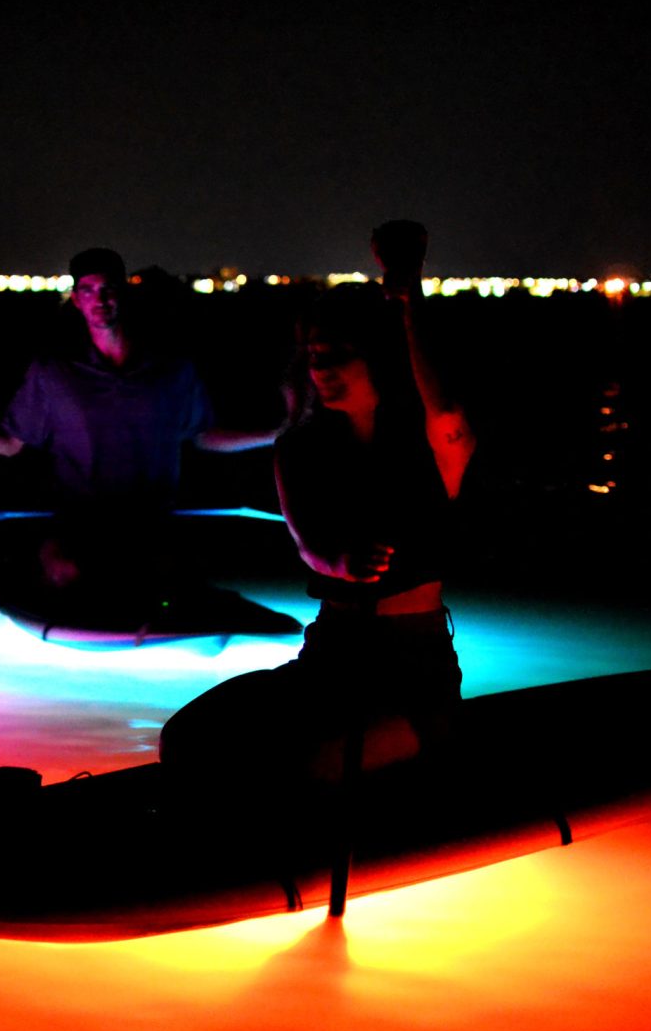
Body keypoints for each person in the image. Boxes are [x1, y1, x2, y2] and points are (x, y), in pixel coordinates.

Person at [159, 222, 476, 792]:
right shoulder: (298, 450)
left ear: (376, 355)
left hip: (413, 672)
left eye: (337, 356)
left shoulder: (427, 446)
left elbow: (447, 410)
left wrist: (409, 294)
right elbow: (310, 545)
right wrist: (343, 565)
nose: (321, 370)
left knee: (308, 770)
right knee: (188, 737)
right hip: (331, 657)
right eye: (312, 357)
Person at [0, 247, 279, 608]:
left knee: (166, 580)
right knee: (70, 572)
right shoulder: (55, 374)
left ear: (123, 294)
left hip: (152, 523)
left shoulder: (172, 371)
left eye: (108, 289)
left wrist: (276, 434)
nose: (99, 299)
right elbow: (11, 444)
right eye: (88, 290)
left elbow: (204, 436)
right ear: (76, 299)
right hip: (79, 525)